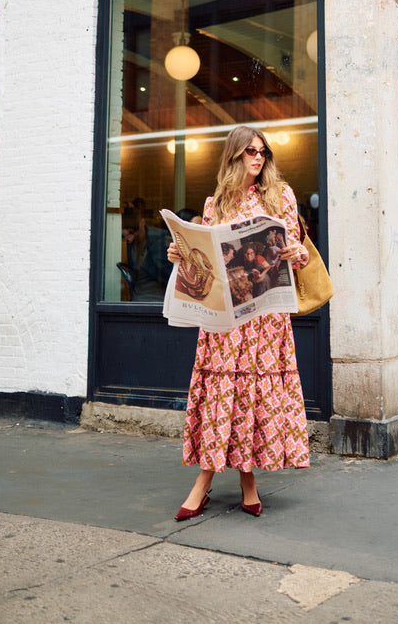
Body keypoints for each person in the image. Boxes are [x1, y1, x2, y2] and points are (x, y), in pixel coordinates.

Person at [166, 124, 309, 520]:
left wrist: (294, 250)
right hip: (226, 319)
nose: (258, 158)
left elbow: (297, 254)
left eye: (263, 151)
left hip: (265, 317)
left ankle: (245, 480)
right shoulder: (216, 204)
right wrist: (180, 255)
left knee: (250, 394)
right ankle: (206, 481)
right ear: (234, 156)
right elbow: (209, 263)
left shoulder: (281, 196)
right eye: (250, 151)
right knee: (222, 395)